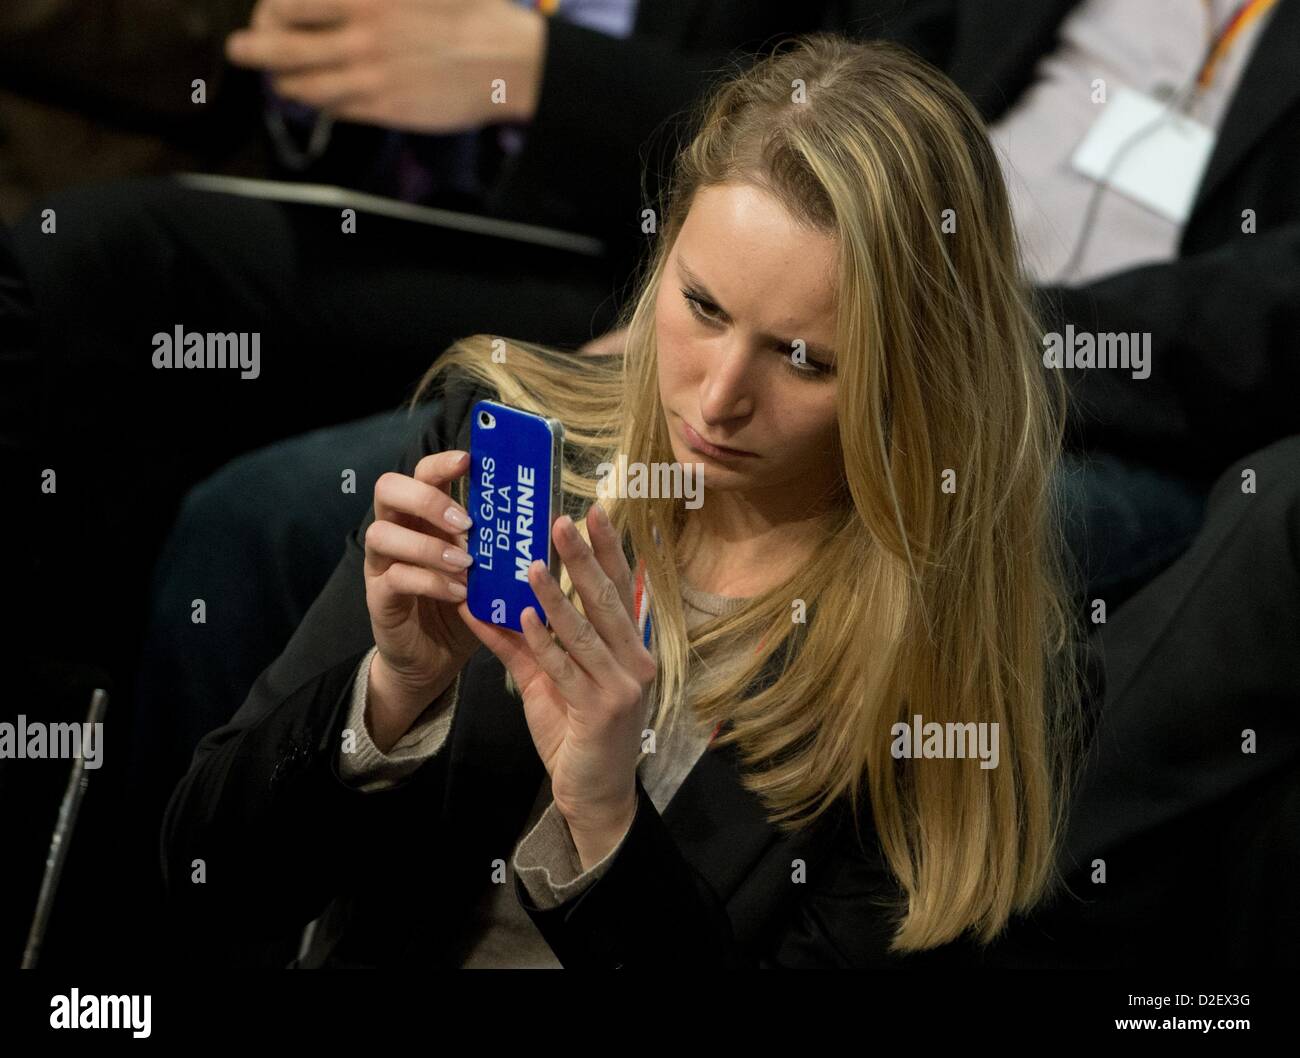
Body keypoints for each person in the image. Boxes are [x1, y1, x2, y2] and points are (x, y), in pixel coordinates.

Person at [162, 35, 1095, 967]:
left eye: (805, 359)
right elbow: (208, 875)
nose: (719, 398)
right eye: (703, 308)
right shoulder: (505, 447)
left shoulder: (946, 660)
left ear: (917, 379)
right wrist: (386, 701)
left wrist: (606, 821)